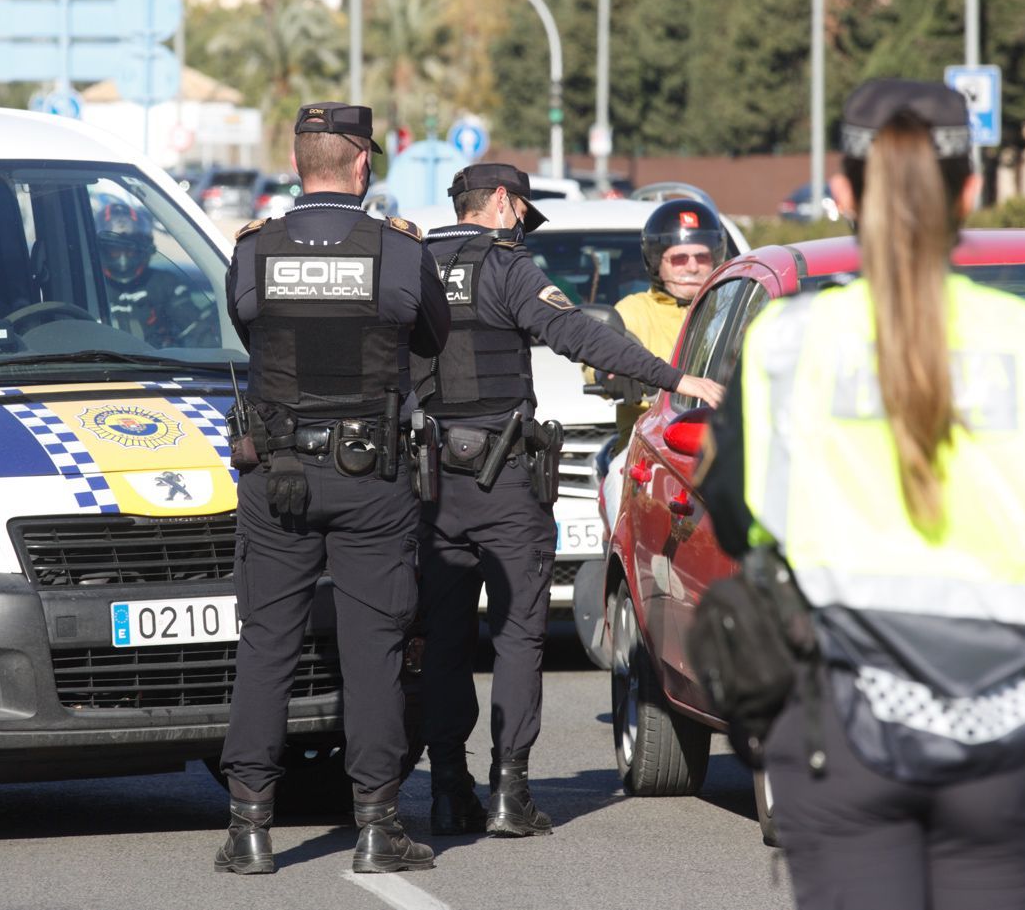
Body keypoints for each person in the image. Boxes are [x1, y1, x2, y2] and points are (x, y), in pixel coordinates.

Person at [699, 80, 1025, 910]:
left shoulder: (787, 345)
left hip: (839, 725)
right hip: (1005, 724)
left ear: (844, 192)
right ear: (972, 190)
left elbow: (733, 510)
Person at [414, 164, 722, 838]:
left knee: (442, 638)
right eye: (521, 211)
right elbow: (580, 335)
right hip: (504, 479)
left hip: (431, 481)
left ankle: (445, 789)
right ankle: (509, 792)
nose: (522, 224)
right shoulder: (507, 266)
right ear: (500, 202)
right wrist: (677, 377)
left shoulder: (413, 264)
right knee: (520, 634)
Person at [214, 102, 451, 877]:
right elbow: (433, 339)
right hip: (371, 476)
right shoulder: (398, 253)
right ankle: (378, 827)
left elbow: (252, 331)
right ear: (362, 164)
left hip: (277, 471)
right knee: (373, 649)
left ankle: (249, 828)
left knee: (266, 644)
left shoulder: (253, 251)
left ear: (296, 159)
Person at [595, 197, 731, 532]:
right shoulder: (634, 310)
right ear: (657, 263)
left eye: (702, 257)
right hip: (648, 447)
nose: (692, 266)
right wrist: (610, 374)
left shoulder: (730, 304)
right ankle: (624, 569)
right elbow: (602, 352)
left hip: (729, 439)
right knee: (618, 479)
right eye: (680, 258)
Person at [97, 198, 215, 348]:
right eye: (115, 250)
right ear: (101, 250)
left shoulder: (165, 283)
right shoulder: (89, 286)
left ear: (143, 248)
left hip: (159, 366)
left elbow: (196, 330)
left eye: (129, 249)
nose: (123, 257)